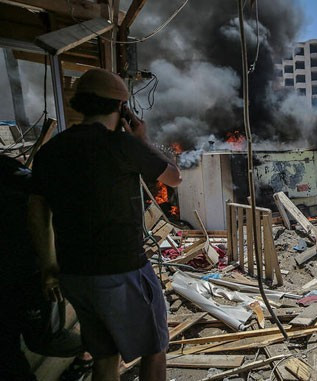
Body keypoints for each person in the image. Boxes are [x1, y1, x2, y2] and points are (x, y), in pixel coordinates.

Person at [28, 68, 182, 381]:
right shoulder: (124, 146)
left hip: (74, 276)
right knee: (154, 348)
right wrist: (142, 140)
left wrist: (48, 267)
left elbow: (37, 211)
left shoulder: (49, 152)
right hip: (122, 271)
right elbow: (173, 177)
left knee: (104, 354)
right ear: (122, 110)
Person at [0, 154, 93, 381]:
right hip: (10, 275)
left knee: (46, 339)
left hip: (32, 269)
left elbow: (47, 201)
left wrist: (50, 265)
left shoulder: (7, 169)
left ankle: (93, 351)